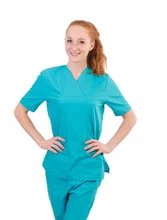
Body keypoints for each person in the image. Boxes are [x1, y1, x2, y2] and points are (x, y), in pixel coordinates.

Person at [14, 20, 137, 220]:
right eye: (69, 41)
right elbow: (20, 111)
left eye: (81, 42)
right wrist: (41, 141)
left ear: (92, 45)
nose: (74, 47)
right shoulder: (49, 77)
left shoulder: (103, 81)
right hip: (57, 165)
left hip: (88, 167)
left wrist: (109, 146)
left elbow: (130, 117)